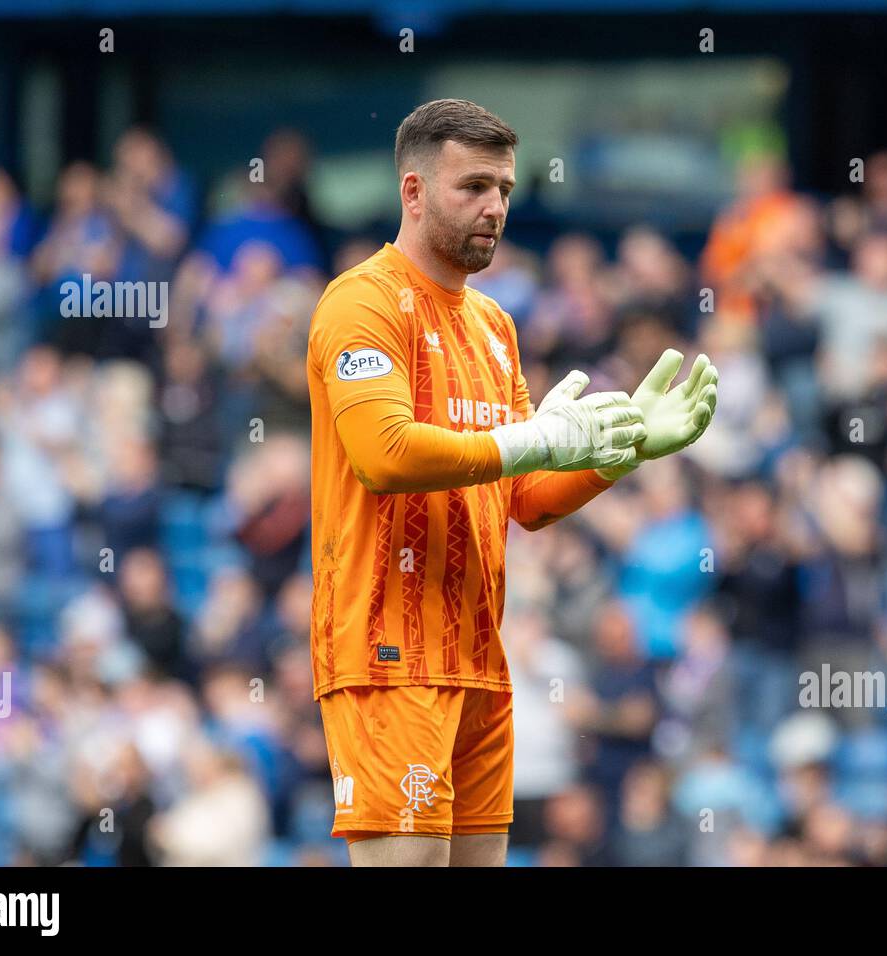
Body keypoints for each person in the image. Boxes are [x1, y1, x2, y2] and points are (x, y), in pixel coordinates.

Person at [306, 98, 719, 867]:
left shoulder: (494, 326)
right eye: (473, 187)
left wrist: (613, 454)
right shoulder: (360, 301)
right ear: (414, 192)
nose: (494, 206)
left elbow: (522, 497)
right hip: (389, 651)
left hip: (481, 659)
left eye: (504, 187)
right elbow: (384, 454)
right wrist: (530, 440)